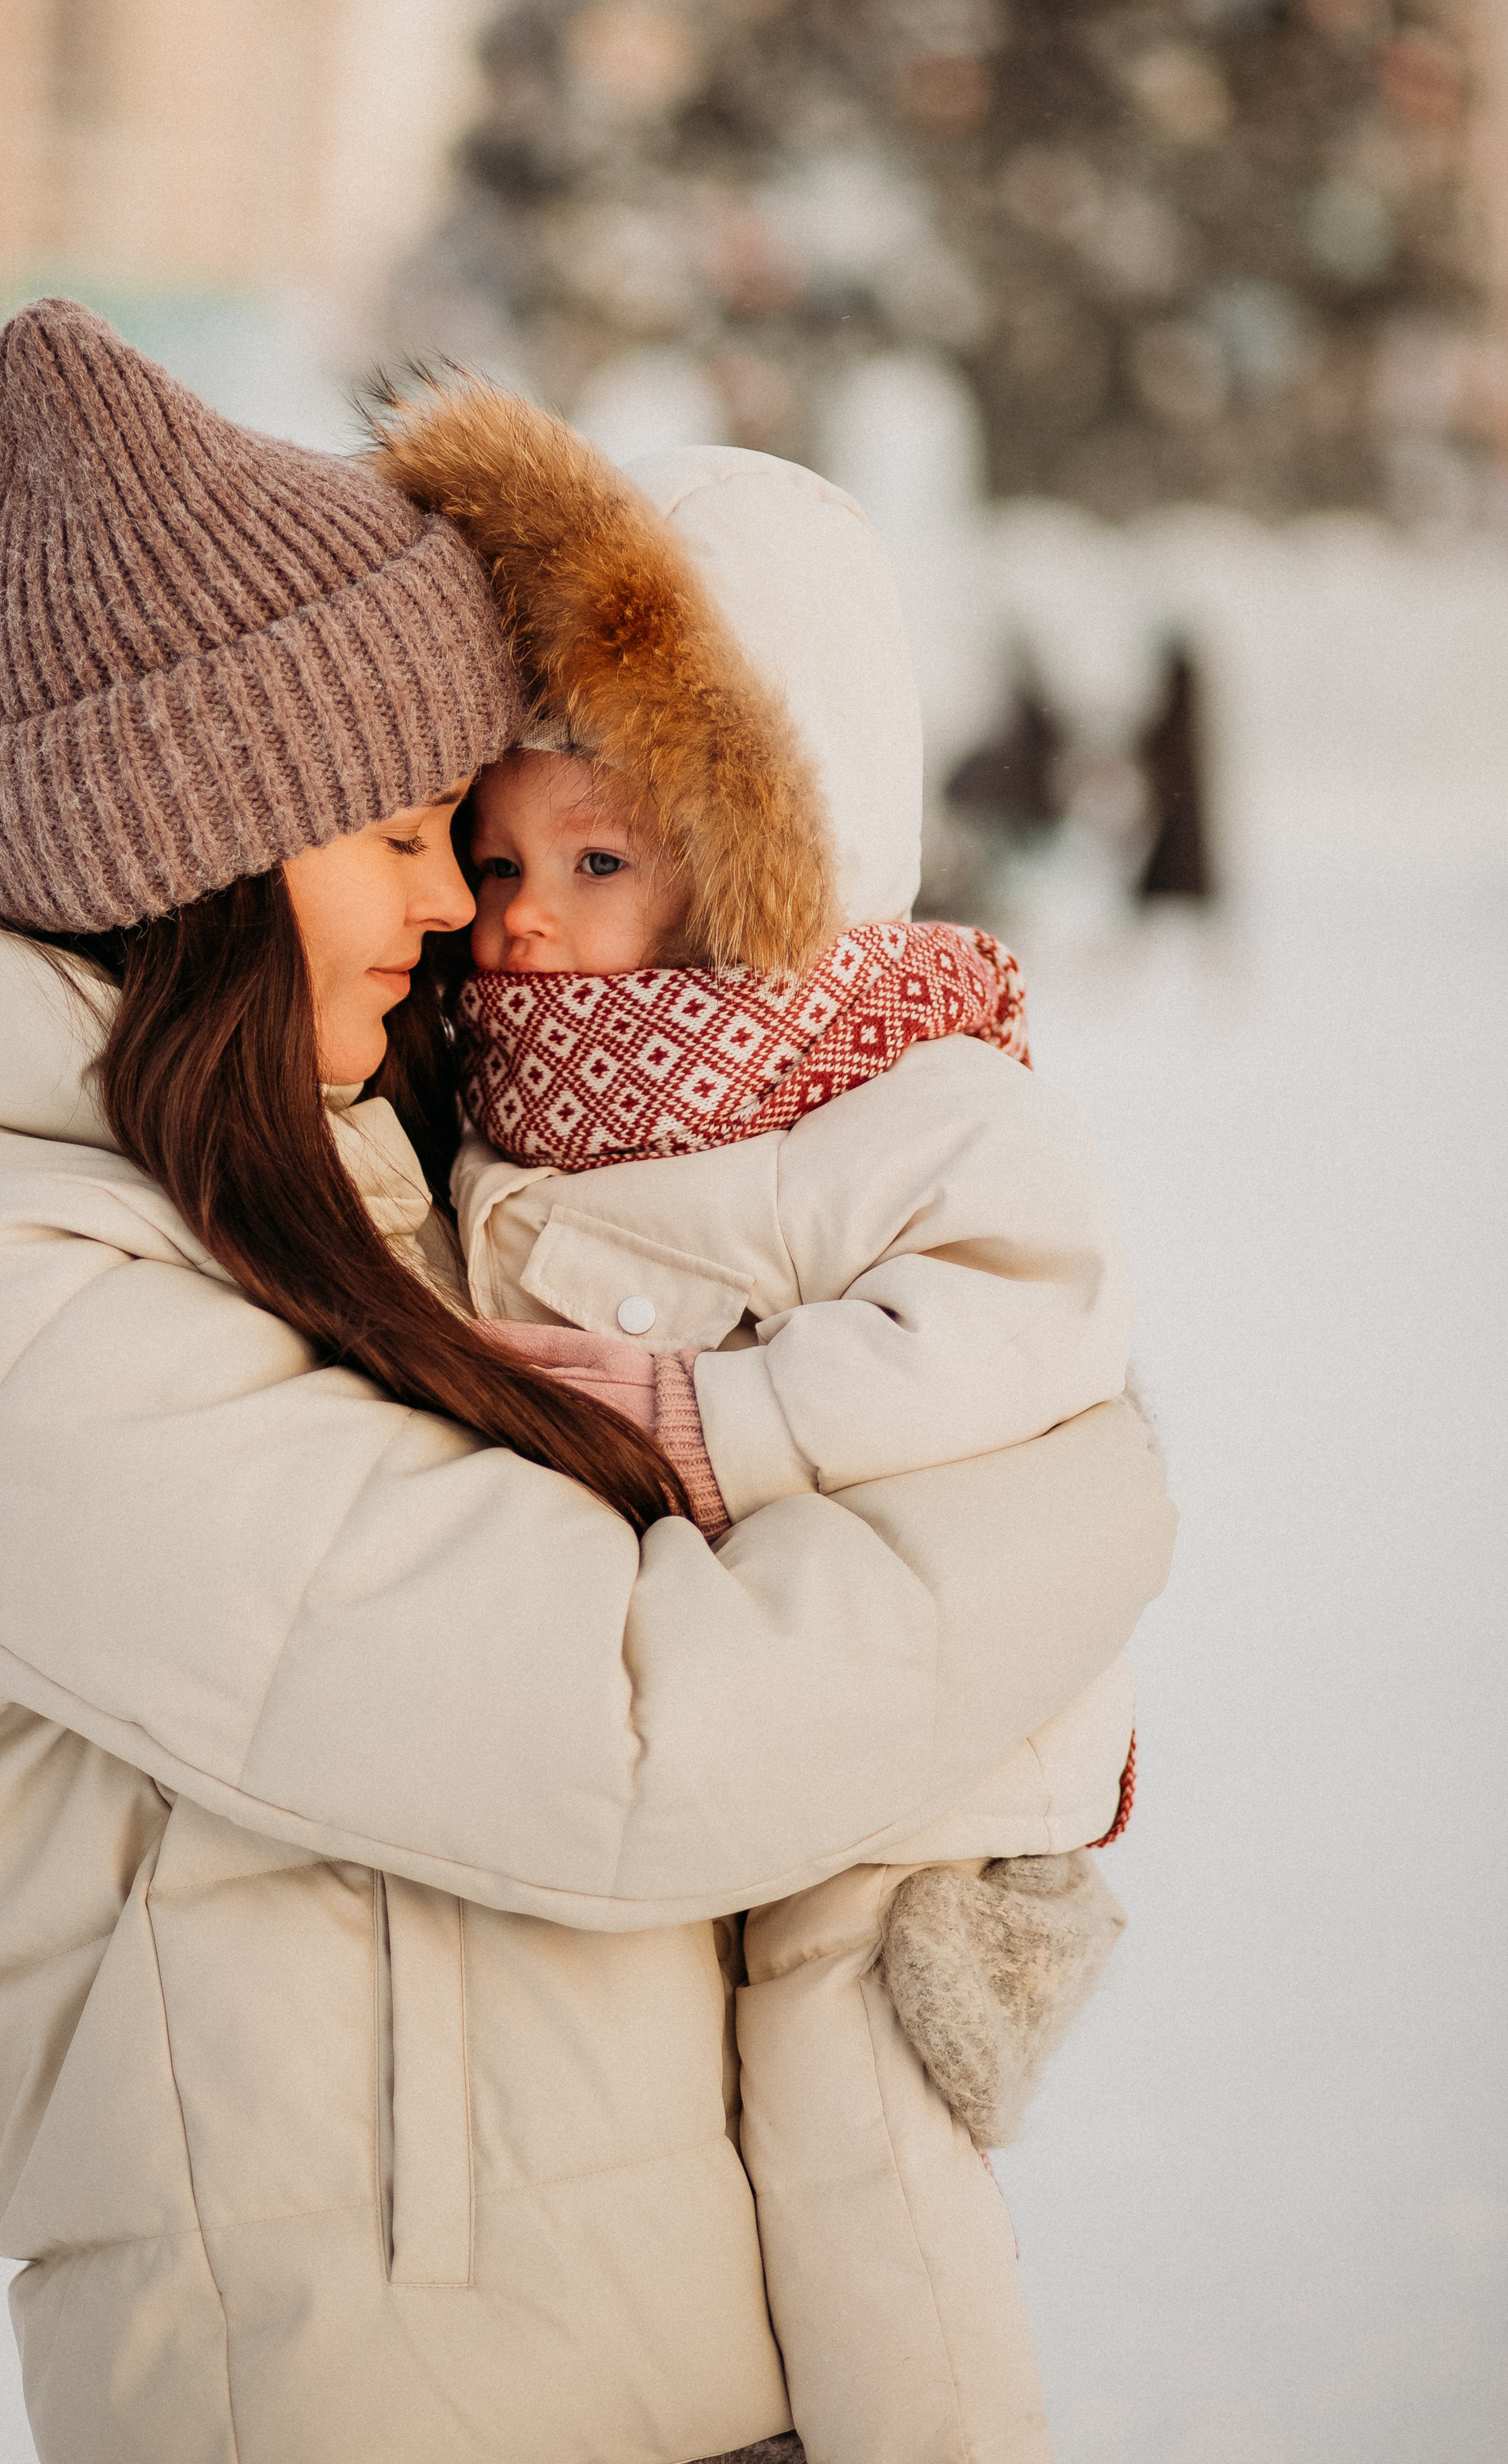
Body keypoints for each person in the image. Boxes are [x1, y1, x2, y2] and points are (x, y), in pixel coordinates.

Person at [0, 297, 1175, 2464]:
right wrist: (1094, 1499)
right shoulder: (25, 1307)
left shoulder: (362, 1174)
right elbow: (634, 1744)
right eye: (394, 839)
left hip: (659, 2364)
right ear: (198, 851)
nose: (453, 915)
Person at [367, 370, 1142, 2461]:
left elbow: (1018, 1327)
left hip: (910, 1762)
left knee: (854, 2150)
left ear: (745, 857)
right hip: (700, 1740)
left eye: (600, 856)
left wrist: (737, 1429)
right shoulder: (517, 1104)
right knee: (673, 2173)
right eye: (496, 854)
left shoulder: (908, 1089)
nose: (523, 918)